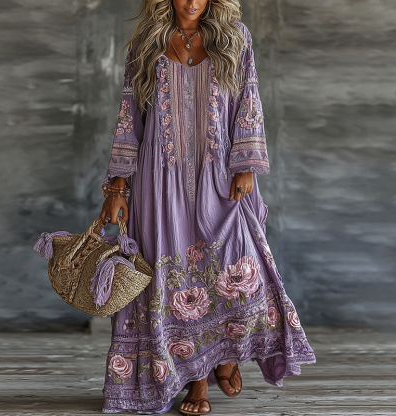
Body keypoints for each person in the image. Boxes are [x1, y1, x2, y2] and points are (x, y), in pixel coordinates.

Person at [98, 0, 316, 414]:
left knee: (237, 263)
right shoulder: (146, 43)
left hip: (220, 172)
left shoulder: (235, 37)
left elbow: (249, 97)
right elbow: (130, 115)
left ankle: (226, 352)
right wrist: (118, 187)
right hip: (158, 180)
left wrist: (246, 164)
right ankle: (197, 383)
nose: (192, 1)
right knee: (174, 278)